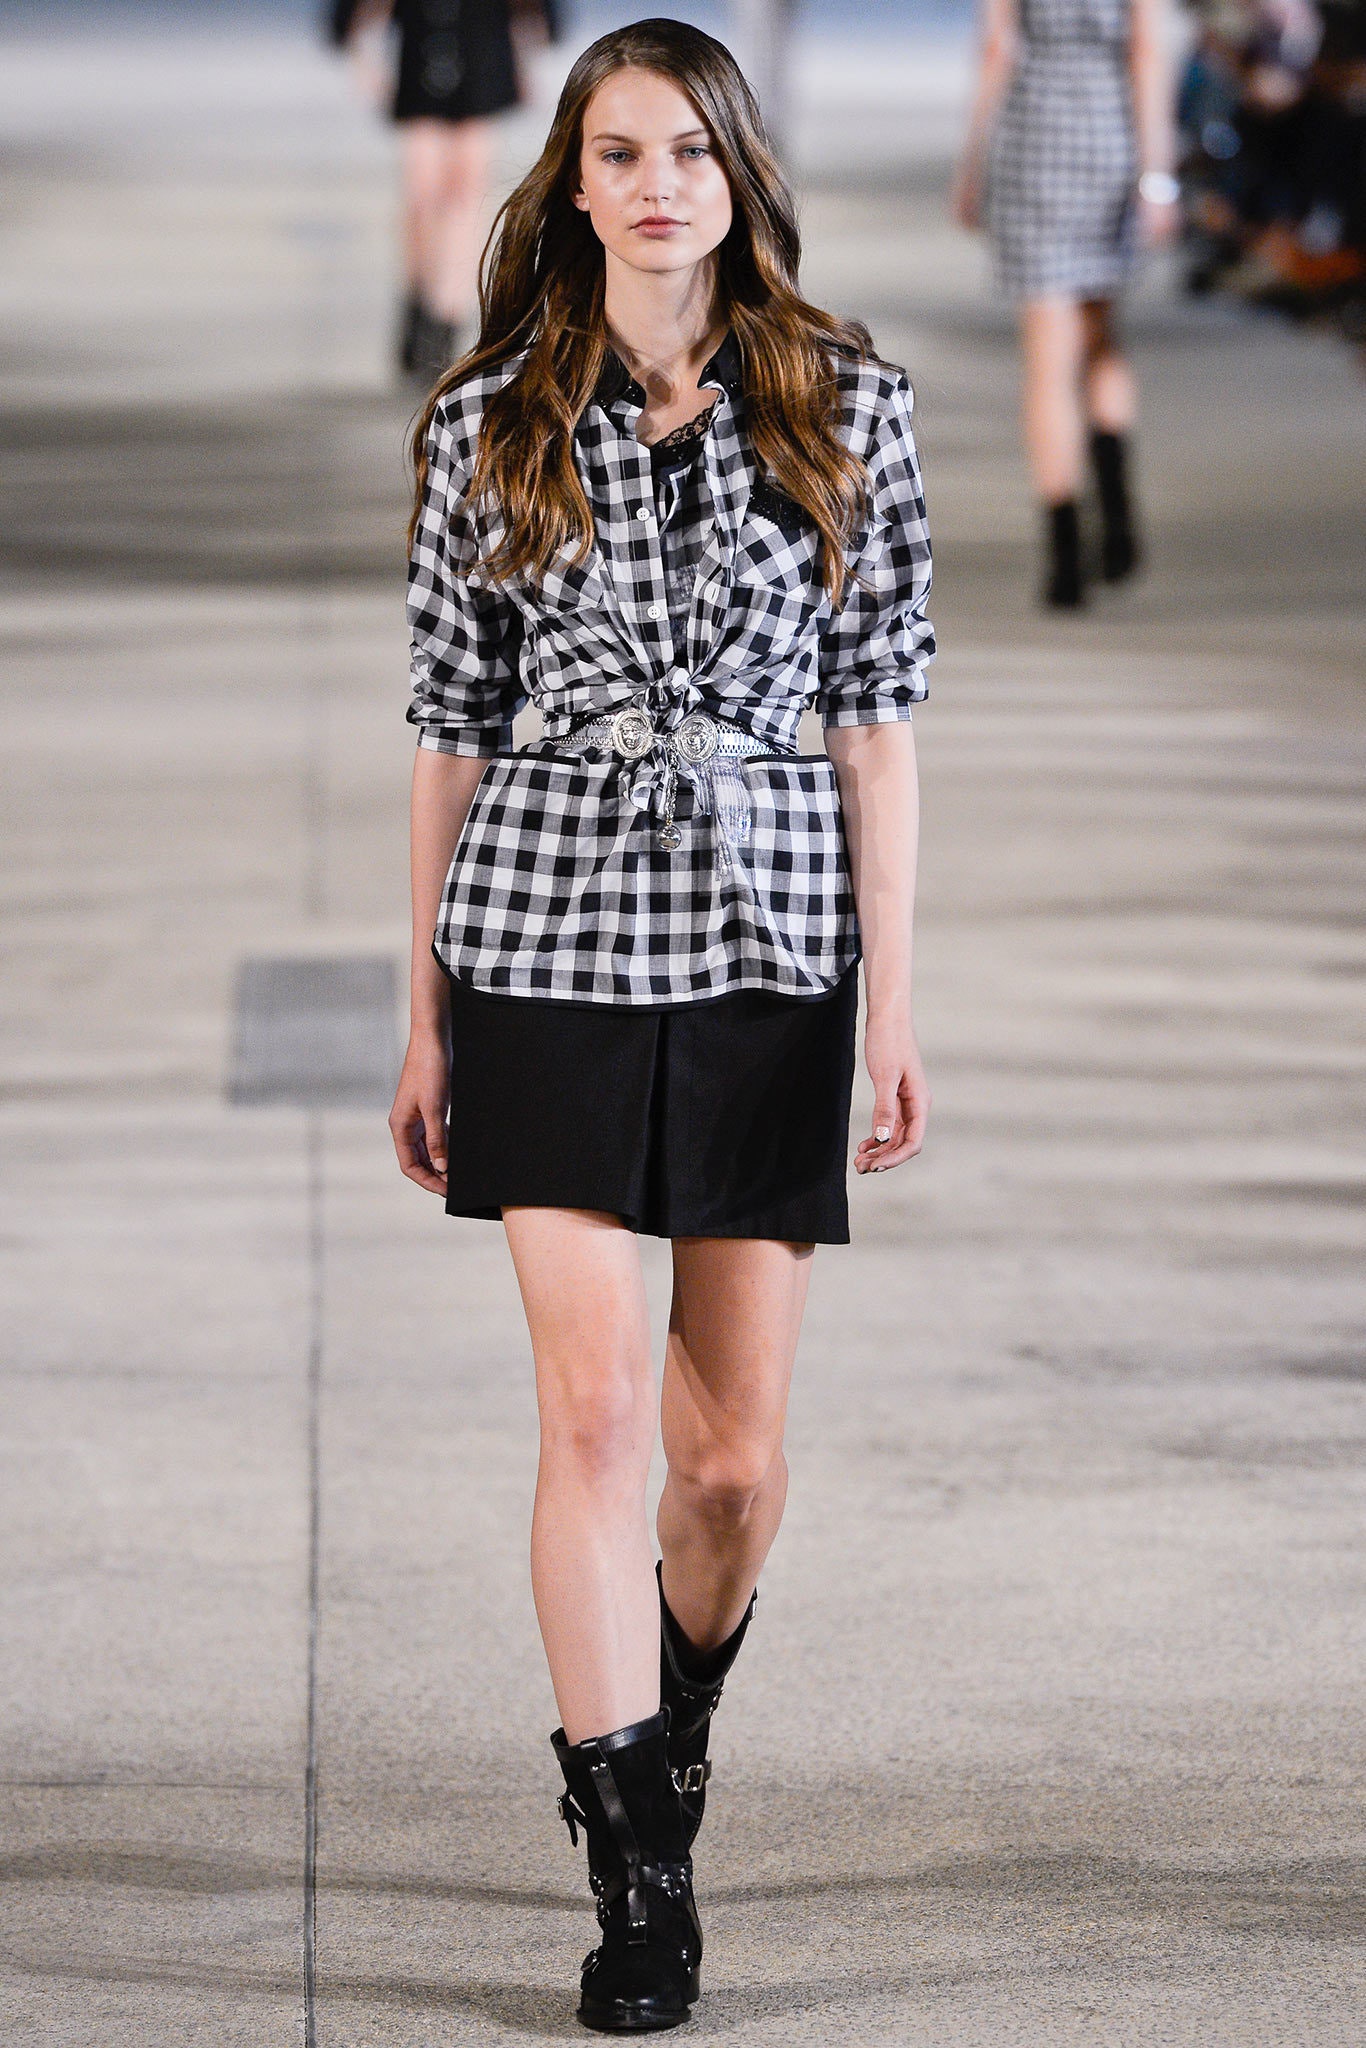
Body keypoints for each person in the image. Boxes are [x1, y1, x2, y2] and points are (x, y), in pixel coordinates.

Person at [388, 17, 934, 2031]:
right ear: (572, 179)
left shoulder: (845, 403)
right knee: (599, 1415)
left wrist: (892, 996)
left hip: (766, 949)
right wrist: (422, 1014)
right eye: (616, 154)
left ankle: (667, 1719)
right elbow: (448, 727)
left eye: (687, 153)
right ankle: (635, 1865)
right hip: (540, 937)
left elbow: (877, 718)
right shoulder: (492, 417)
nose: (652, 188)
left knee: (726, 1465)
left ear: (737, 177)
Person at [954, 0, 1179, 605]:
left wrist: (972, 165)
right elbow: (1147, 52)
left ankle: (1065, 552)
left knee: (1047, 358)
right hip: (1110, 139)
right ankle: (1118, 516)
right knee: (1101, 336)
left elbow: (997, 49)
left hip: (1034, 142)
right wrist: (1159, 177)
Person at [328, 0, 556, 383]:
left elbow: (536, 13)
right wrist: (362, 56)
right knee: (424, 195)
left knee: (464, 197)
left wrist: (529, 58)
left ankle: (445, 318)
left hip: (482, 52)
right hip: (422, 53)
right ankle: (420, 302)